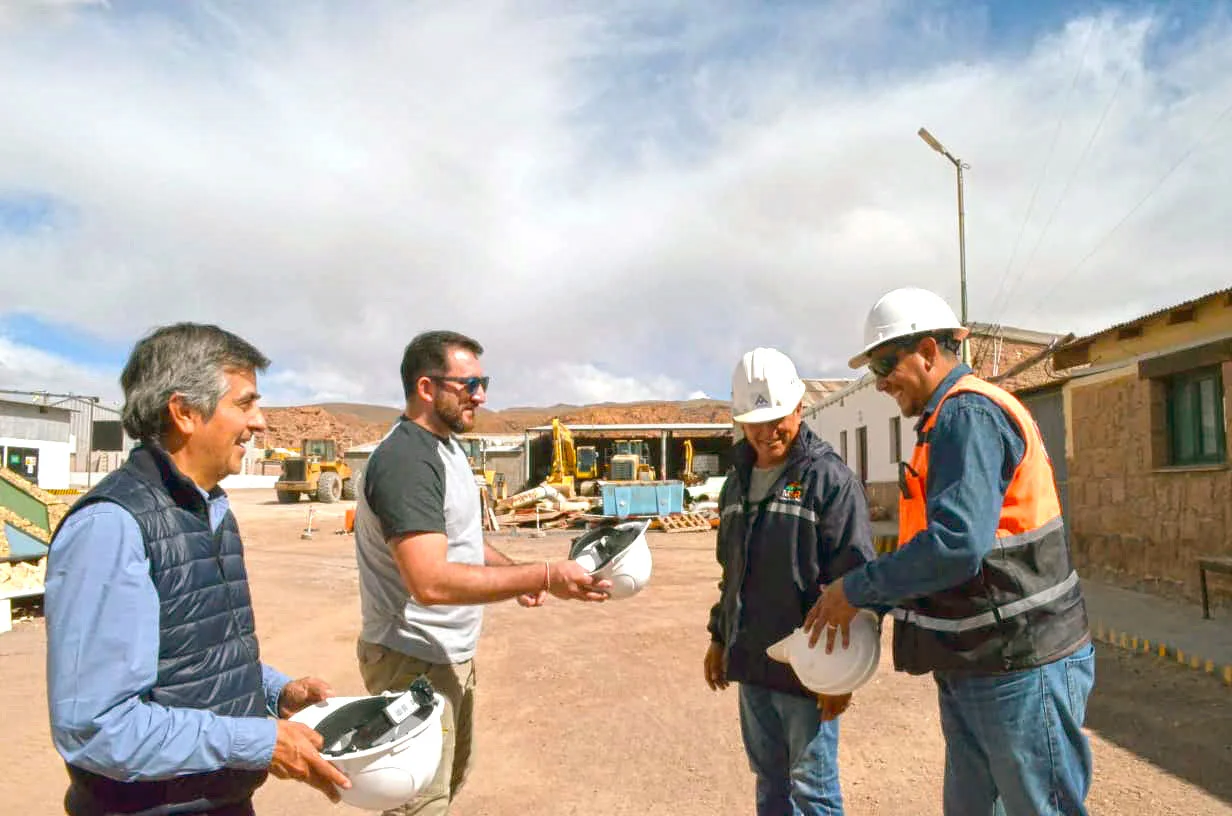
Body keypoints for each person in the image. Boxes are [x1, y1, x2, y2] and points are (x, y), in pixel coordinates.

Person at [805, 287, 1094, 816]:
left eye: (886, 364)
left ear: (928, 352)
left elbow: (956, 546)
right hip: (982, 659)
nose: (880, 381)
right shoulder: (943, 421)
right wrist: (874, 601)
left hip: (1018, 660)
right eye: (874, 371)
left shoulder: (967, 415)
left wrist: (858, 590)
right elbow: (937, 550)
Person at [45, 323, 351, 816]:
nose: (260, 423)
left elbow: (193, 655)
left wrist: (273, 692)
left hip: (220, 800)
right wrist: (259, 742)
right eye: (245, 404)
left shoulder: (211, 510)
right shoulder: (111, 526)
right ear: (185, 413)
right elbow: (96, 729)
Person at [353, 329, 610, 816]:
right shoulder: (406, 461)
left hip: (445, 655)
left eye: (483, 383)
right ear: (426, 387)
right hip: (411, 659)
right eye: (469, 384)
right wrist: (544, 574)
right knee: (418, 802)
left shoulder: (446, 448)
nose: (481, 396)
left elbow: (463, 540)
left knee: (445, 784)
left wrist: (516, 574)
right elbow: (430, 581)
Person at [704, 346, 876, 816]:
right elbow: (731, 572)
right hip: (752, 662)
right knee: (769, 784)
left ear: (800, 407)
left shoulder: (829, 481)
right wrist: (720, 637)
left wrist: (841, 674)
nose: (767, 432)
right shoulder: (736, 483)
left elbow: (857, 580)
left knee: (813, 793)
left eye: (777, 418)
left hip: (809, 669)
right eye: (755, 422)